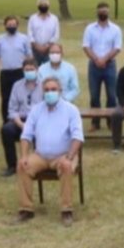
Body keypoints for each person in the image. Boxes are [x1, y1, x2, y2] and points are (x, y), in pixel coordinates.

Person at [15, 78, 84, 226]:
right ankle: (26, 209)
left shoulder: (71, 110)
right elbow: (26, 135)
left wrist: (69, 157)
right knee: (22, 166)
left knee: (66, 166)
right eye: (46, 90)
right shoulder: (36, 110)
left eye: (53, 89)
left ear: (60, 91)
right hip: (40, 155)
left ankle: (66, 210)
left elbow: (77, 137)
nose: (50, 93)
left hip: (64, 154)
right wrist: (24, 156)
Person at [82, 1, 123, 129]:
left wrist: (104, 59)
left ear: (109, 12)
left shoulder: (115, 29)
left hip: (109, 65)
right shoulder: (89, 28)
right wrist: (96, 60)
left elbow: (117, 48)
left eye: (105, 10)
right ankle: (95, 123)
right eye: (101, 11)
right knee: (94, 95)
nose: (103, 13)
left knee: (112, 95)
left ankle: (111, 121)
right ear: (97, 12)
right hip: (94, 66)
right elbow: (86, 46)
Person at [0, 58, 43, 176]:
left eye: (32, 69)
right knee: (6, 130)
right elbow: (12, 110)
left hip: (38, 120)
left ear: (37, 69)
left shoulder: (43, 86)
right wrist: (21, 124)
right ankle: (12, 166)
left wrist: (33, 125)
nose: (29, 72)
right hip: (21, 120)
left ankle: (38, 163)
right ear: (23, 70)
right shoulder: (17, 86)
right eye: (26, 70)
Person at [0, 15, 31, 122]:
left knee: (21, 96)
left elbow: (29, 56)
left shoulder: (24, 38)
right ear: (5, 26)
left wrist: (30, 69)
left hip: (19, 71)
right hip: (6, 72)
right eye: (9, 25)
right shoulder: (0, 39)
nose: (11, 26)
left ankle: (22, 119)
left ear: (17, 25)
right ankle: (6, 121)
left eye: (13, 25)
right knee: (6, 98)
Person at [28, 0, 61, 66]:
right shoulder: (33, 18)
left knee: (49, 69)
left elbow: (56, 34)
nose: (43, 6)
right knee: (35, 69)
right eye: (41, 5)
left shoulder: (54, 19)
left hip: (49, 49)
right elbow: (30, 33)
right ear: (38, 6)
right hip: (35, 49)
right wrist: (36, 46)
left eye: (45, 5)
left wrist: (47, 46)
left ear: (48, 6)